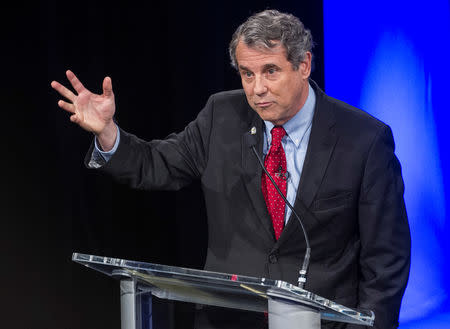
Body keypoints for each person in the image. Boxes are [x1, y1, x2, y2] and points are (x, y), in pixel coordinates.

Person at [51, 9, 410, 329]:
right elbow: (155, 165)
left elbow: (386, 259)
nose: (257, 89)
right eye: (247, 73)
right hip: (229, 319)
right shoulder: (221, 116)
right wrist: (109, 133)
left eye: (271, 71)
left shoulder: (364, 139)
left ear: (304, 65)